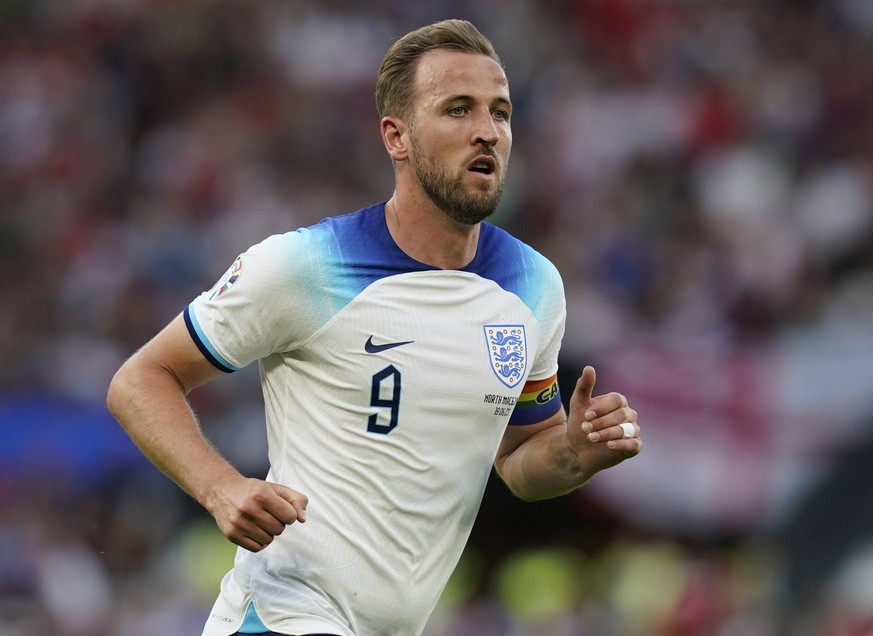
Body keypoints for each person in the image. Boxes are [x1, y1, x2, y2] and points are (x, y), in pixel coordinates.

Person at [107, 18, 641, 636]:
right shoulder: (305, 266)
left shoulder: (534, 286)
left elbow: (522, 459)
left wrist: (574, 452)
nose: (486, 132)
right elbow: (141, 378)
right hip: (282, 614)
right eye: (458, 110)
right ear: (398, 137)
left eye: (500, 112)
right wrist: (220, 488)